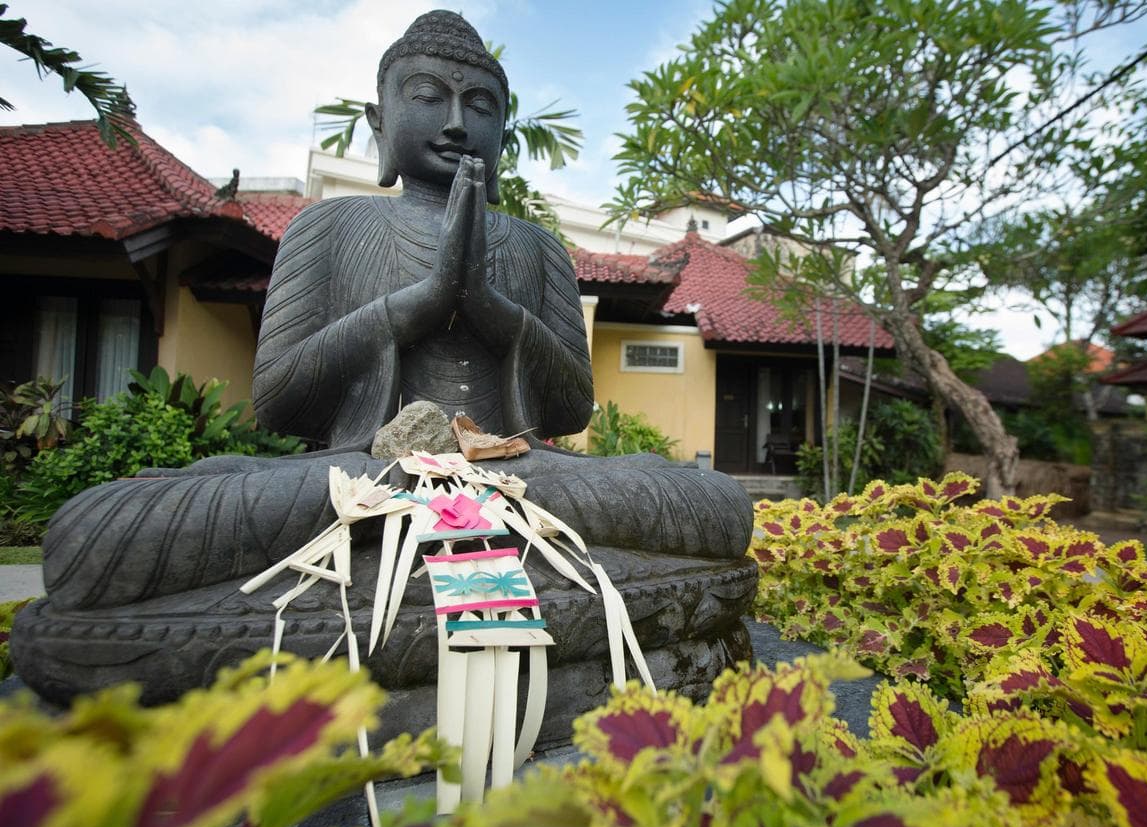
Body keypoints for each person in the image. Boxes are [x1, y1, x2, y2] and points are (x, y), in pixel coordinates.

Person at [30, 11, 753, 617]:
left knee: (715, 504)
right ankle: (497, 595)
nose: (456, 121)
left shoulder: (537, 247)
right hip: (363, 477)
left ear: (503, 128)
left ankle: (401, 600)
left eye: (480, 105)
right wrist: (421, 303)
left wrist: (490, 307)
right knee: (99, 529)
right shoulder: (327, 227)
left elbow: (568, 405)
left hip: (524, 477)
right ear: (382, 122)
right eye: (428, 96)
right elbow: (279, 401)